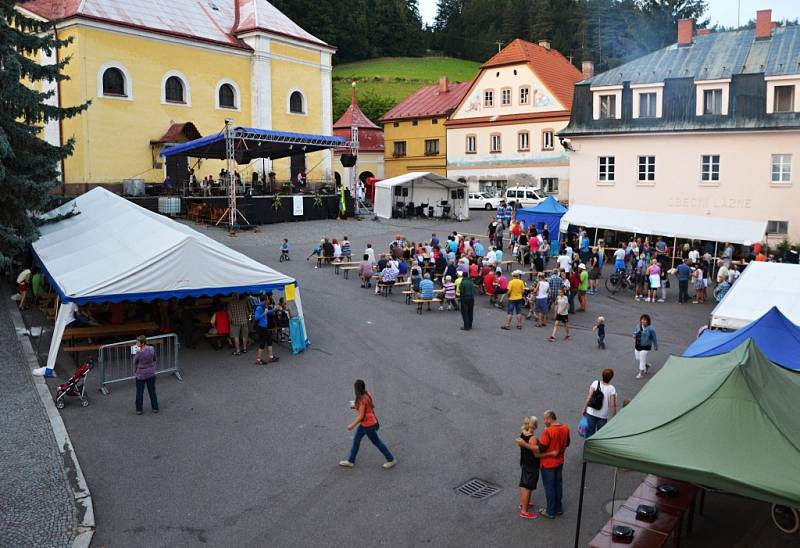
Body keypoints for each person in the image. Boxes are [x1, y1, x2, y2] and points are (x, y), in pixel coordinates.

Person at [339, 379, 396, 469]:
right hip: (368, 422)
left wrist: (352, 425)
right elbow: (367, 407)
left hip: (368, 425)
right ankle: (351, 461)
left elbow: (361, 416)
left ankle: (391, 459)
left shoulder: (362, 400)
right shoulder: (367, 394)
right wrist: (355, 406)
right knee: (356, 440)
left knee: (377, 442)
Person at [515, 416, 558, 520]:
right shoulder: (532, 438)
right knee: (528, 487)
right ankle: (524, 511)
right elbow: (537, 455)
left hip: (524, 462)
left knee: (524, 483)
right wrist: (551, 453)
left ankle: (522, 503)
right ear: (534, 425)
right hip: (531, 465)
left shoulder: (523, 434)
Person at [538, 410, 570, 519]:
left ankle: (550, 511)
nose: (544, 421)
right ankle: (558, 508)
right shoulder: (565, 428)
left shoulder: (548, 431)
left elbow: (541, 448)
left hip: (548, 464)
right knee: (558, 485)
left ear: (549, 418)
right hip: (559, 462)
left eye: (545, 419)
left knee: (549, 488)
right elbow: (568, 443)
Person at [581, 369, 617, 436]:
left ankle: (589, 446)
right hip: (602, 416)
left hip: (591, 412)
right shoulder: (612, 389)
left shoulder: (595, 383)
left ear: (602, 375)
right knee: (600, 435)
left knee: (590, 434)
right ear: (611, 377)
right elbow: (612, 405)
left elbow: (589, 397)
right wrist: (615, 416)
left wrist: (584, 408)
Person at [133, 335, 159, 415]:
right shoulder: (151, 349)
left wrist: (134, 354)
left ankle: (139, 409)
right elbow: (154, 358)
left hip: (141, 374)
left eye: (137, 342)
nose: (136, 343)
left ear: (142, 343)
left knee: (139, 392)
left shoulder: (139, 352)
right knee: (152, 391)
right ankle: (155, 408)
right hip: (151, 373)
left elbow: (134, 361)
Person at [254, 293, 279, 365]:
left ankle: (271, 357)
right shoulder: (259, 307)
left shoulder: (263, 306)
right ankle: (258, 360)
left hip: (264, 327)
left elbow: (267, 312)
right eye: (267, 299)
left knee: (269, 340)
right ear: (264, 300)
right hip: (261, 328)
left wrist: (274, 310)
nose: (268, 300)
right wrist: (264, 314)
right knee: (263, 342)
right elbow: (256, 317)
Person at [633, 314, 658, 379]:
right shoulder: (638, 326)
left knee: (642, 359)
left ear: (648, 321)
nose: (643, 321)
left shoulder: (651, 329)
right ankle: (646, 366)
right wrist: (634, 335)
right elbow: (635, 332)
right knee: (637, 358)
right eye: (642, 319)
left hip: (646, 346)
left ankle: (640, 373)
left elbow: (654, 338)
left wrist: (655, 346)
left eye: (645, 320)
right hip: (637, 345)